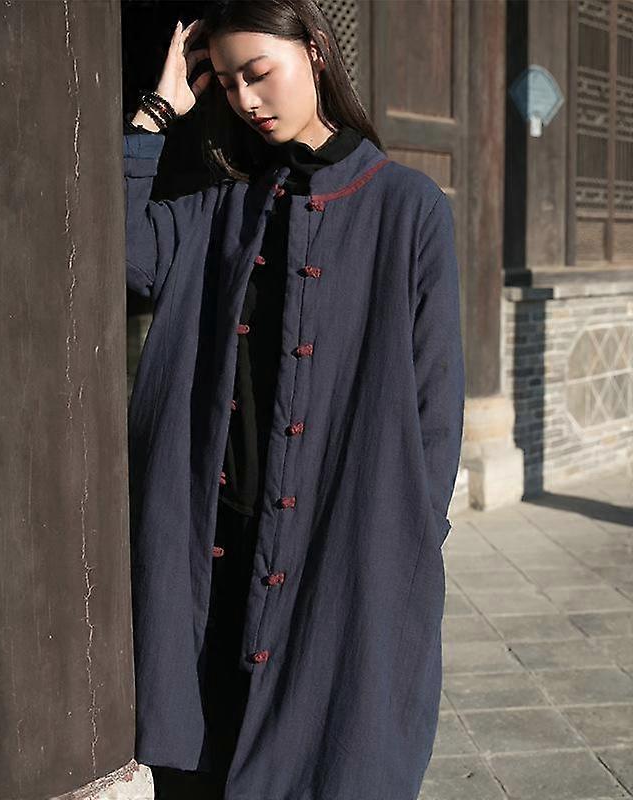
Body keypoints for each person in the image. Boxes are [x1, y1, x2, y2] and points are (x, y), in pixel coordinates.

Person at [122, 2, 465, 799]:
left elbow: (436, 405)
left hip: (341, 552)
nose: (246, 99)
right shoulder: (226, 206)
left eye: (259, 72)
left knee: (335, 759)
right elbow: (121, 255)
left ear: (314, 52)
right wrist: (157, 111)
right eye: (227, 82)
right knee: (201, 760)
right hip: (217, 553)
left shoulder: (408, 207)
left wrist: (407, 536)